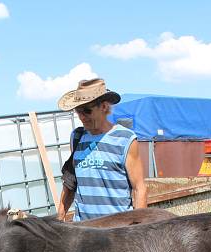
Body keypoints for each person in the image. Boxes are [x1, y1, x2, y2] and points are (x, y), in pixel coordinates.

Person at [56, 78, 147, 221]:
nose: (81, 117)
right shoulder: (77, 137)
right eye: (78, 111)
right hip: (84, 232)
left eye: (87, 111)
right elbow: (70, 183)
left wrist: (139, 229)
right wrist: (59, 219)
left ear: (104, 107)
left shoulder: (125, 139)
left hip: (116, 232)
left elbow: (139, 188)